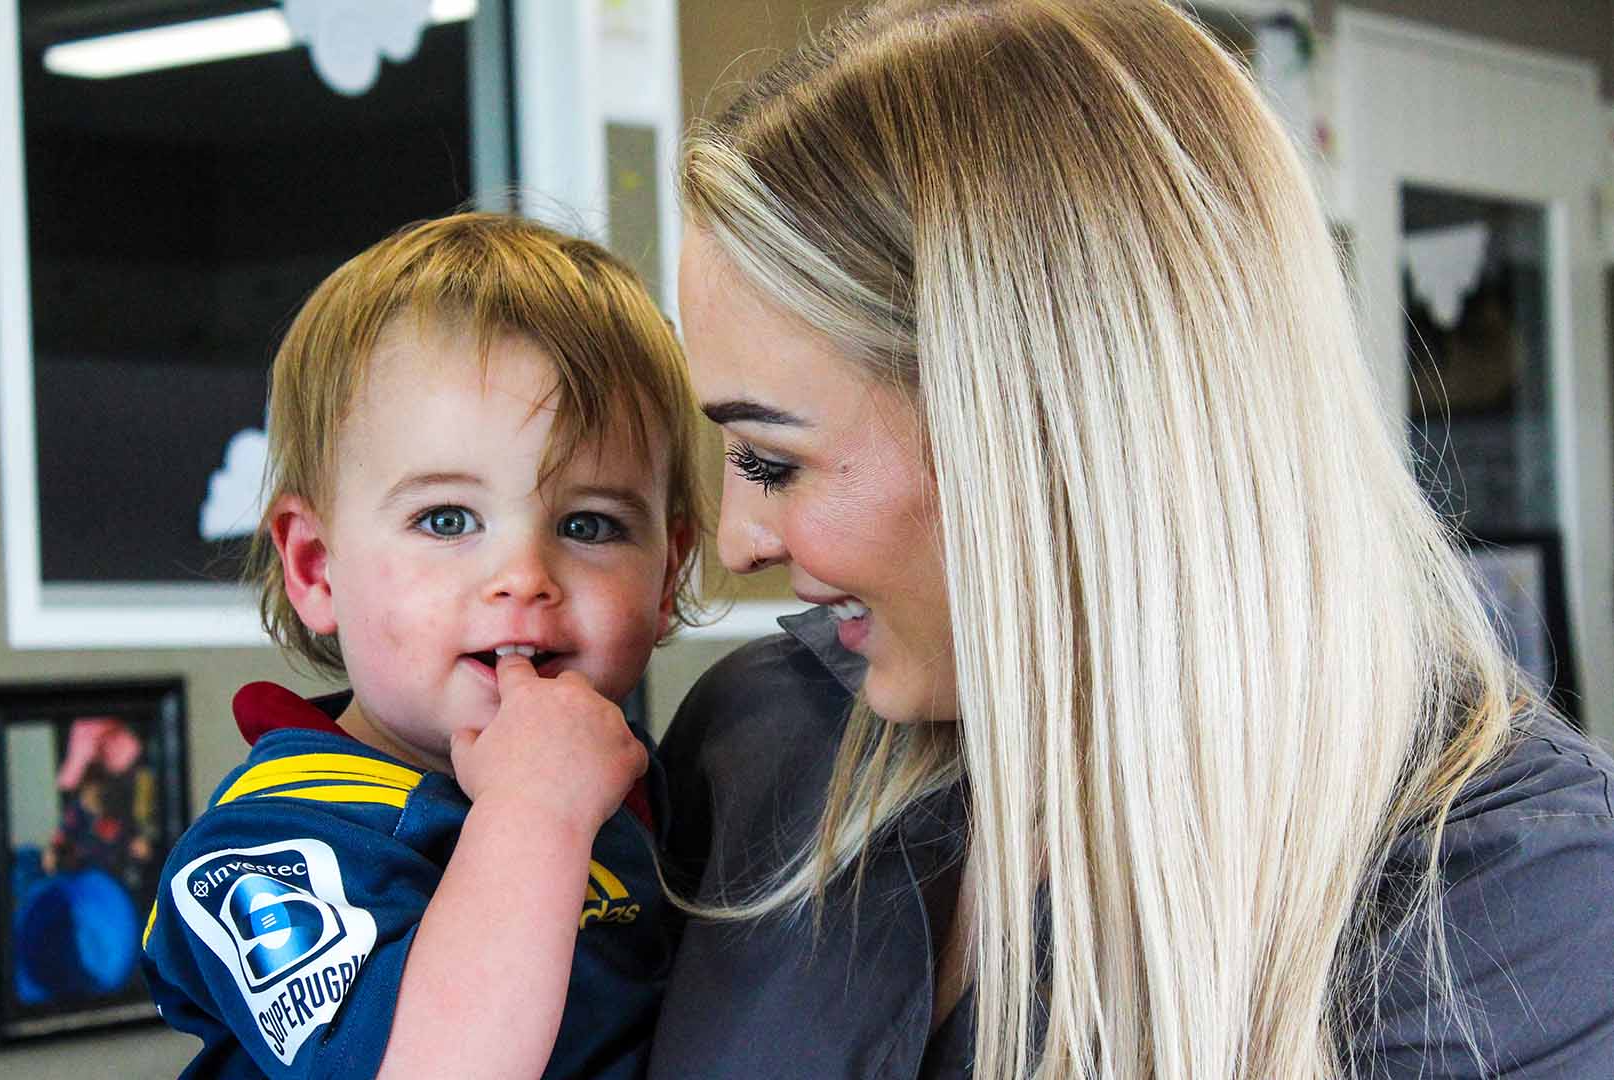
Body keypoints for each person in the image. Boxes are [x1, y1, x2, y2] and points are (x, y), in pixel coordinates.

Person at [649, 1, 1614, 1077]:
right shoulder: (752, 744)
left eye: (773, 461)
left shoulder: (1508, 901)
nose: (736, 543)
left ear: (1037, 428)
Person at [141, 212, 702, 1079]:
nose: (523, 575)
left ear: (668, 576)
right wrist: (535, 813)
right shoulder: (271, 846)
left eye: (589, 523)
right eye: (447, 519)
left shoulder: (642, 780)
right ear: (316, 565)